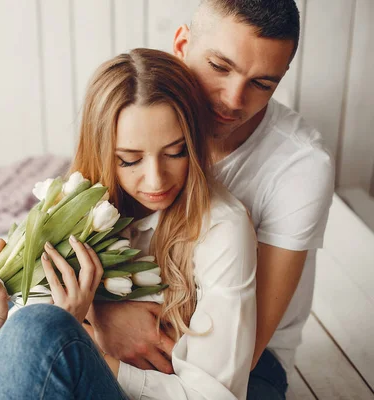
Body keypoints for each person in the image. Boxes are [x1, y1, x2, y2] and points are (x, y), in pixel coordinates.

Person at [0, 49, 258, 399]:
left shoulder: (222, 228)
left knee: (37, 327)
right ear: (103, 152)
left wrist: (81, 341)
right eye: (129, 160)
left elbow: (216, 395)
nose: (156, 180)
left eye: (175, 152)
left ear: (193, 143)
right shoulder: (78, 208)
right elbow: (27, 369)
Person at [88, 1, 335, 399]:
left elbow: (246, 348)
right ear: (182, 44)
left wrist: (103, 329)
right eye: (220, 67)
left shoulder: (301, 166)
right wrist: (101, 316)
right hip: (127, 322)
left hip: (244, 365)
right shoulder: (147, 107)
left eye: (262, 84)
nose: (234, 100)